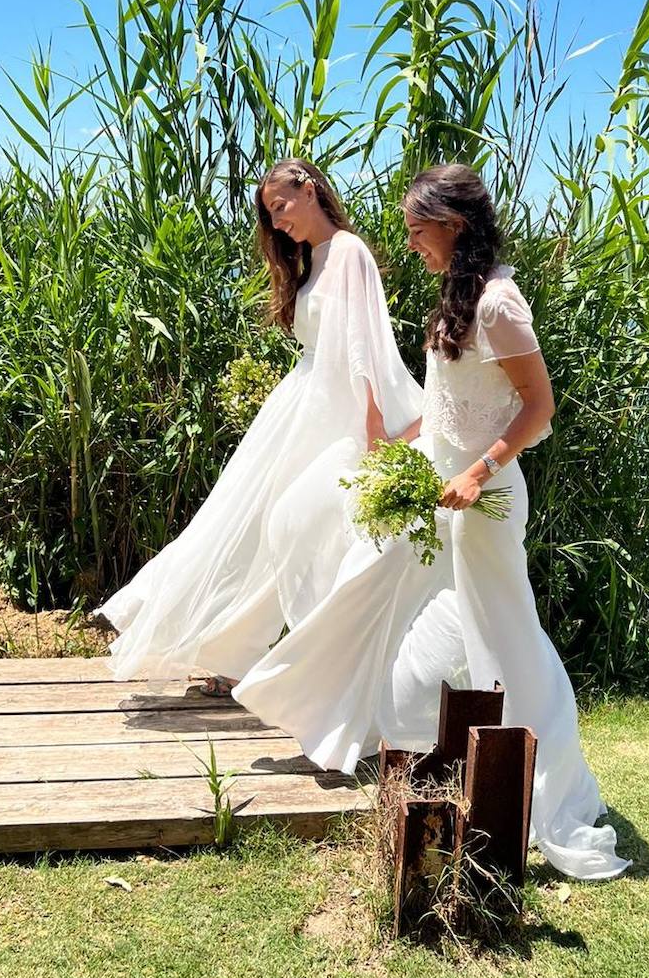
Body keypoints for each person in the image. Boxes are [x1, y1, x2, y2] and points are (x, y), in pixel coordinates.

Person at [235, 163, 631, 881]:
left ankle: (542, 782)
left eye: (419, 230)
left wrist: (477, 474)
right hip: (436, 482)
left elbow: (537, 408)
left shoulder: (500, 304)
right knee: (413, 613)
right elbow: (449, 405)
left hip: (484, 501)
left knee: (504, 636)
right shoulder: (459, 294)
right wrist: (401, 445)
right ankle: (387, 730)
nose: (411, 243)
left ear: (455, 225)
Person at [97, 158, 422, 688]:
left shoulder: (349, 252)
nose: (276, 223)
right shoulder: (314, 258)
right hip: (303, 402)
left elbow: (366, 345)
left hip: (337, 411)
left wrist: (373, 428)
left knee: (291, 528)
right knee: (248, 519)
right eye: (269, 215)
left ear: (310, 189)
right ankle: (230, 653)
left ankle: (331, 668)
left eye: (281, 206)